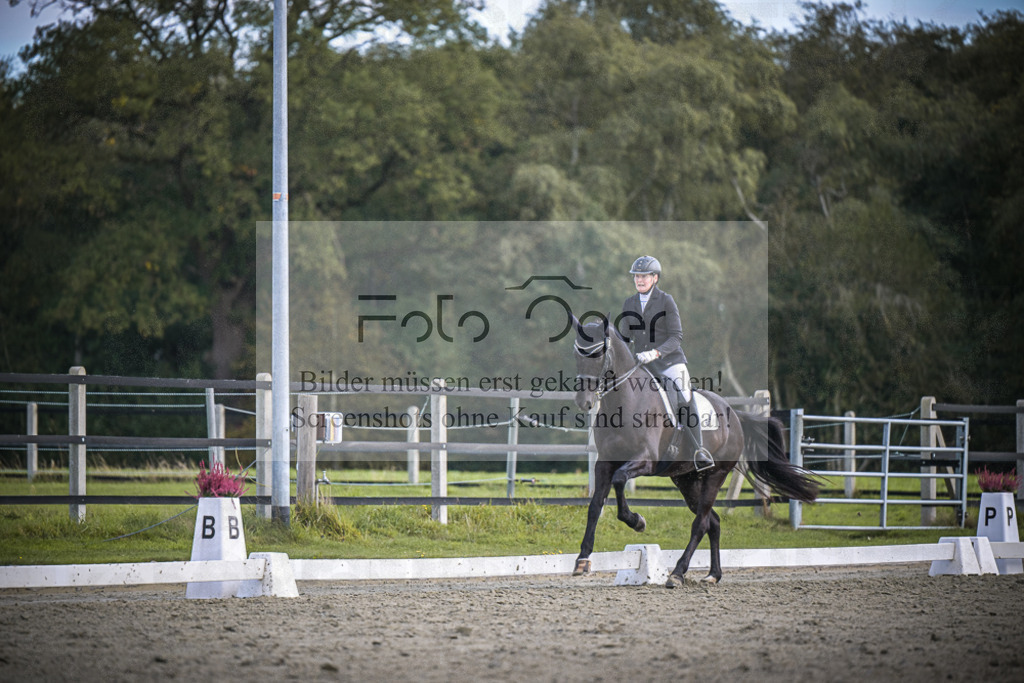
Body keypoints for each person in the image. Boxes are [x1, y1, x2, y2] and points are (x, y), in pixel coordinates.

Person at [620, 255, 713, 470]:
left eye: (644, 276)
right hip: (641, 364)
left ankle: (699, 450)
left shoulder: (666, 301)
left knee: (684, 393)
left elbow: (676, 336)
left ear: (655, 278)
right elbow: (625, 339)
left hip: (670, 361)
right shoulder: (629, 303)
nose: (639, 280)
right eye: (636, 276)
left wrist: (656, 353)